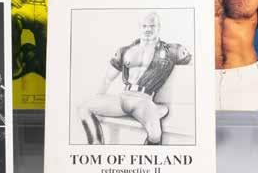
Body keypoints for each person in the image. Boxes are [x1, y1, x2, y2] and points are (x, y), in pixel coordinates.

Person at [77, 12, 192, 145]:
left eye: (152, 26)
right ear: (139, 27)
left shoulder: (172, 50)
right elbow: (108, 79)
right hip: (122, 99)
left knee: (155, 134)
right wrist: (99, 98)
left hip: (143, 101)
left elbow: (195, 63)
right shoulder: (125, 51)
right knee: (84, 108)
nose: (148, 29)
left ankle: (149, 157)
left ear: (159, 27)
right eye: (144, 26)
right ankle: (96, 147)